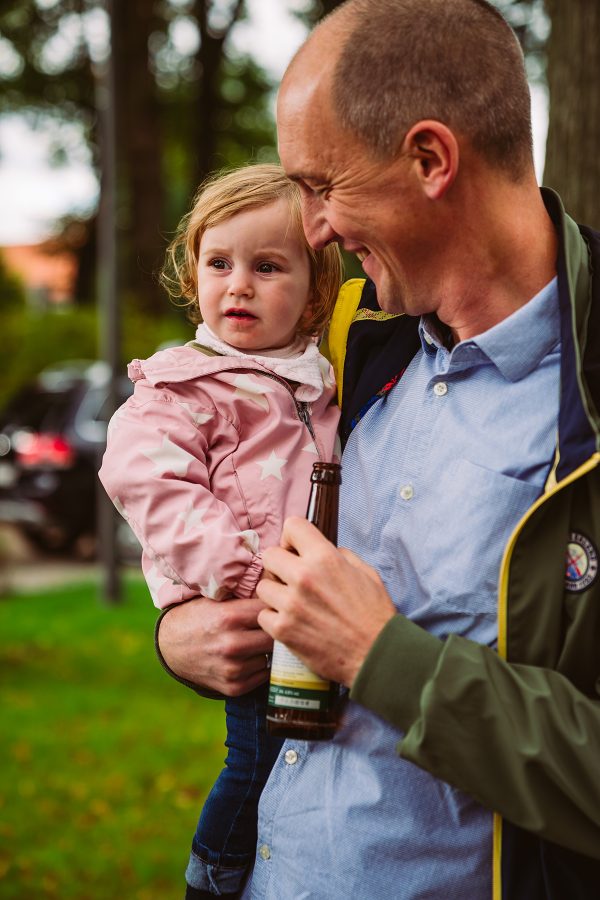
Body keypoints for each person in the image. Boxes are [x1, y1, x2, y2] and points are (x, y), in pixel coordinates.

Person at [156, 1, 600, 898]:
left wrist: (380, 655)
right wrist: (183, 635)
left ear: (431, 159)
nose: (312, 229)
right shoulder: (346, 344)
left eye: (322, 186)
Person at [98, 163, 343, 900]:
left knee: (305, 759)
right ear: (192, 272)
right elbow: (149, 482)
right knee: (256, 758)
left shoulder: (319, 378)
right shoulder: (184, 385)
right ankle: (215, 873)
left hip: (312, 615)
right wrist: (246, 576)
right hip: (245, 602)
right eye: (219, 263)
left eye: (268, 267)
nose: (239, 284)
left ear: (313, 292)